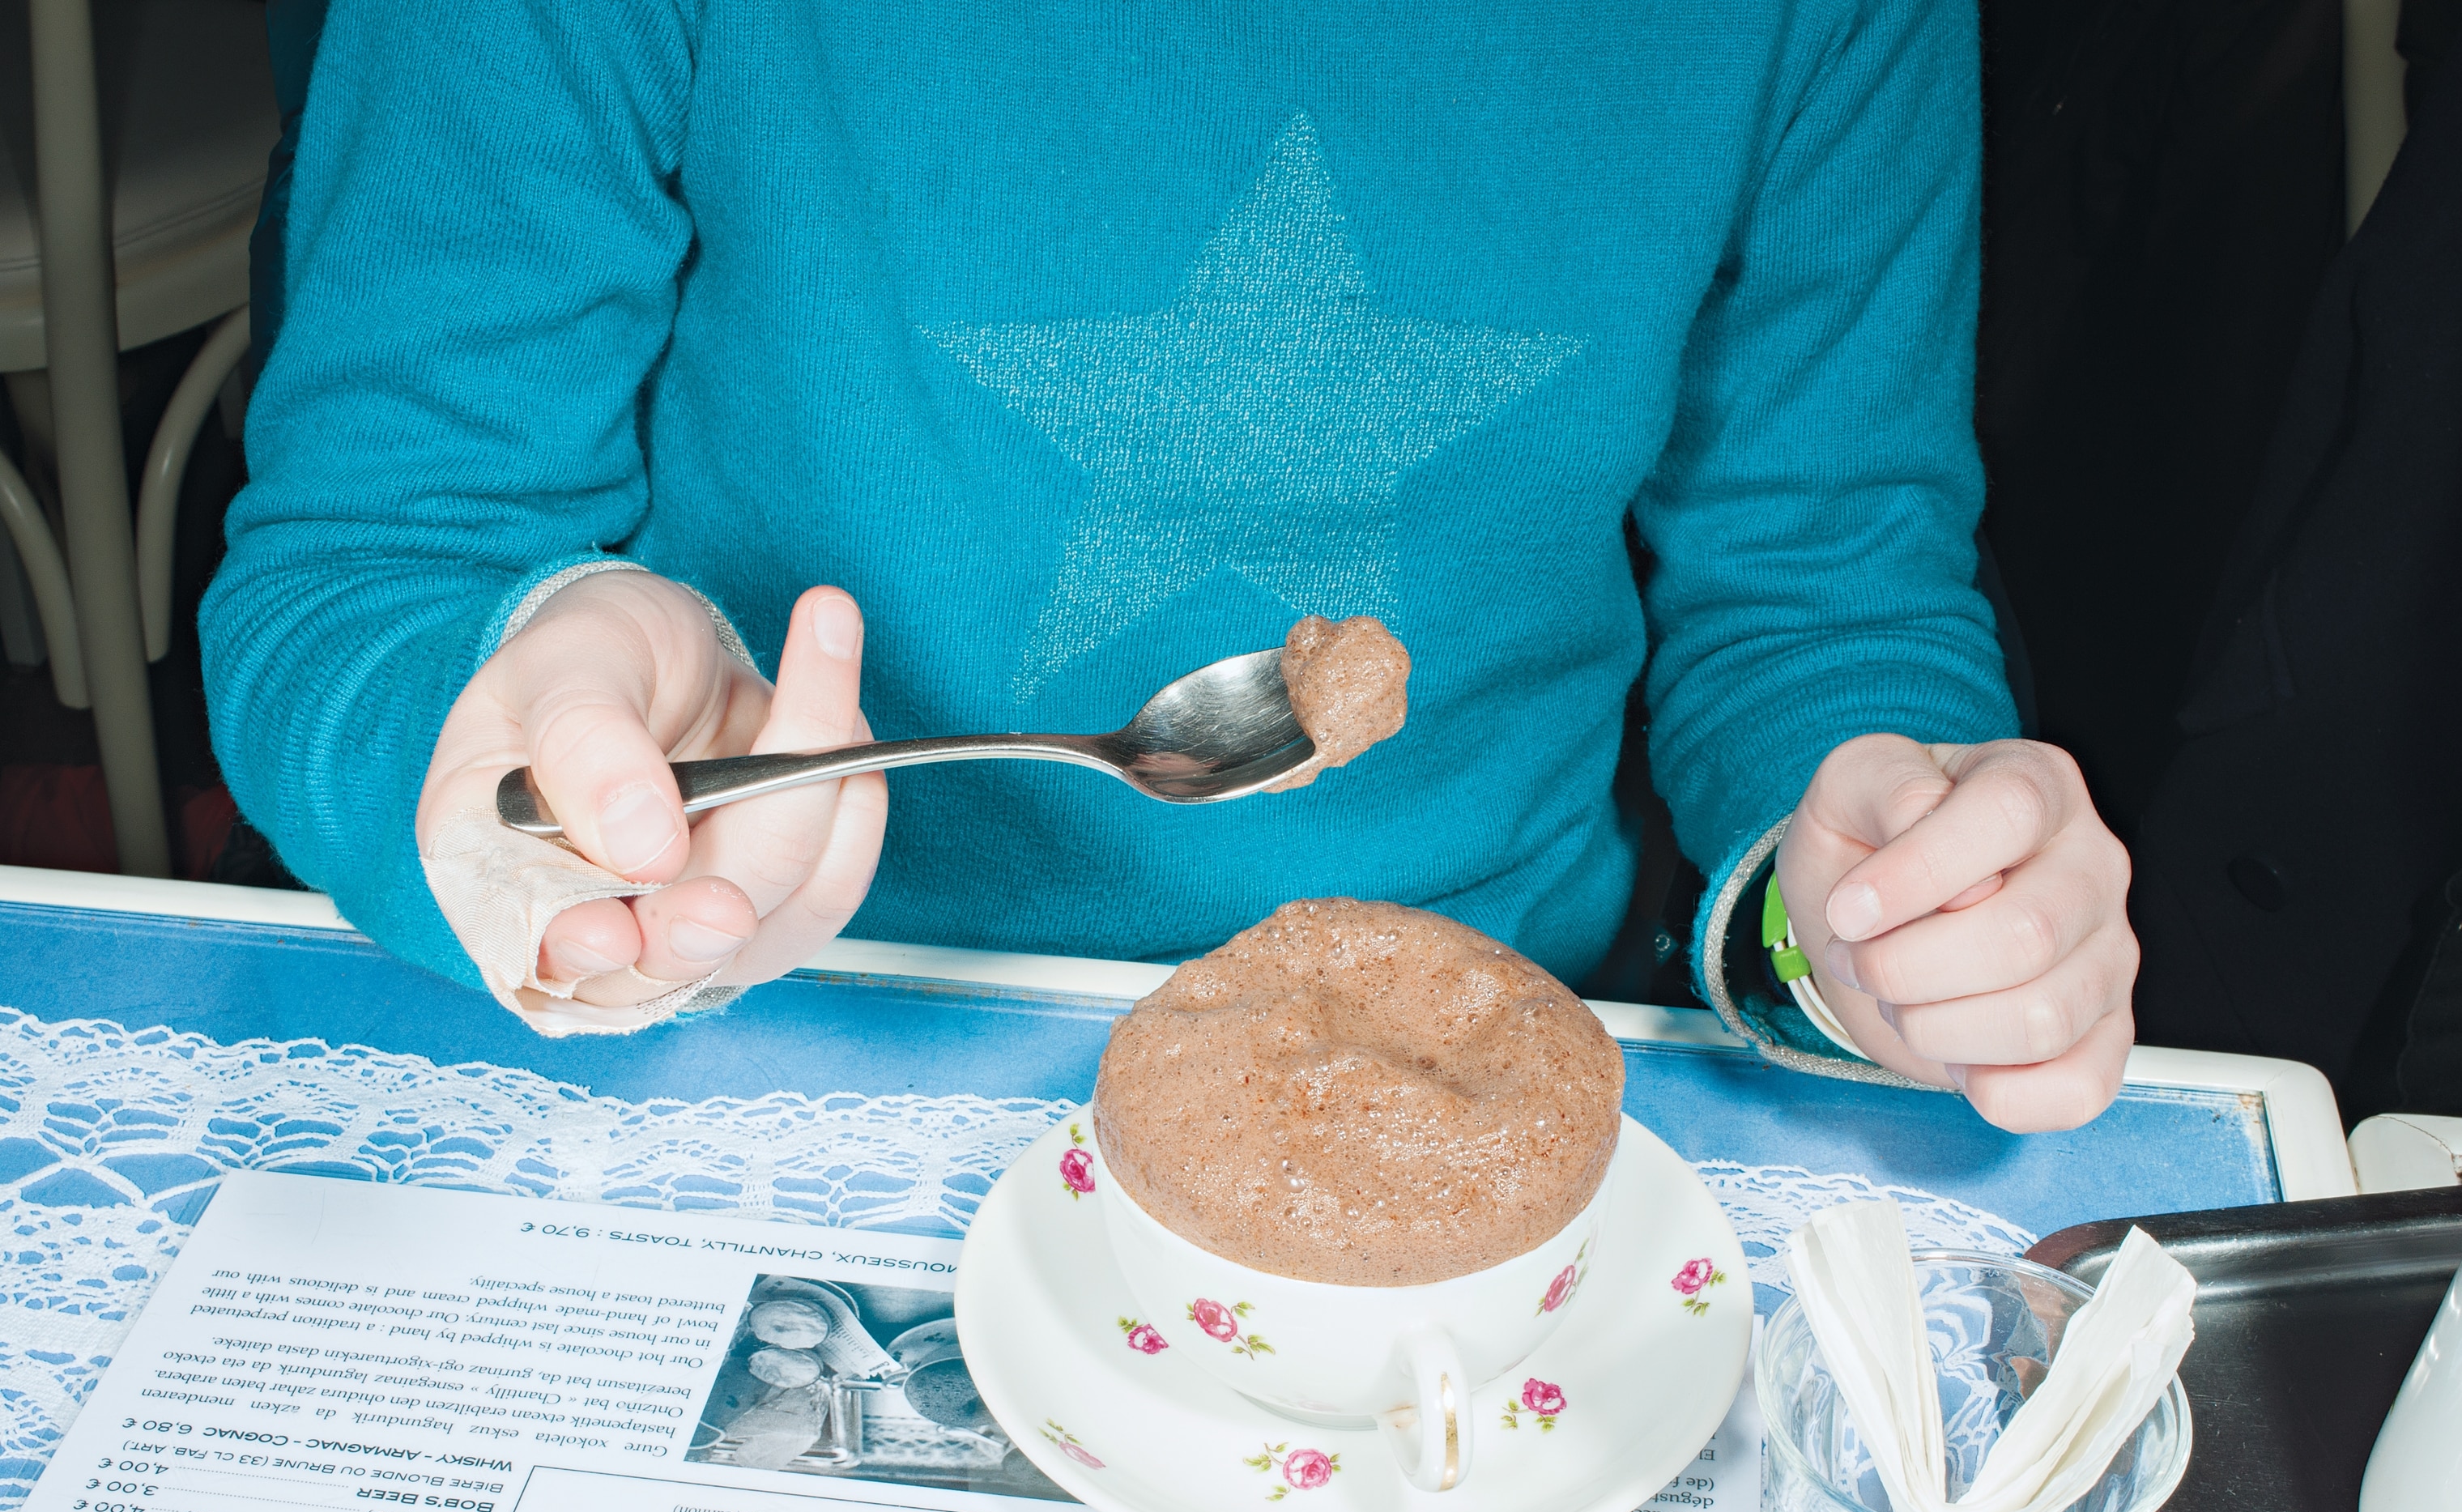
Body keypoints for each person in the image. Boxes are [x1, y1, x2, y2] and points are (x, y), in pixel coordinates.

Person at [202, 0, 2136, 1133]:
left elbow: (1820, 585)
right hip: (743, 1046)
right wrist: (515, 713)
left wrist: (1877, 906)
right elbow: (370, 560)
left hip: (1480, 1055)